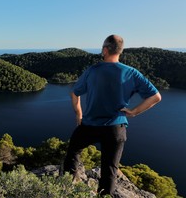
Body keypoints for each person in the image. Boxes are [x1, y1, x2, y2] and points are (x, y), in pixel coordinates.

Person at [63, 35, 162, 197]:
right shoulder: (131, 72)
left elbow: (75, 93)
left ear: (105, 50)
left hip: (89, 126)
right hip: (116, 128)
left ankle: (67, 189)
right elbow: (156, 97)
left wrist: (79, 114)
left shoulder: (93, 70)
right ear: (120, 52)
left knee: (73, 152)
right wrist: (134, 112)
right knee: (109, 169)